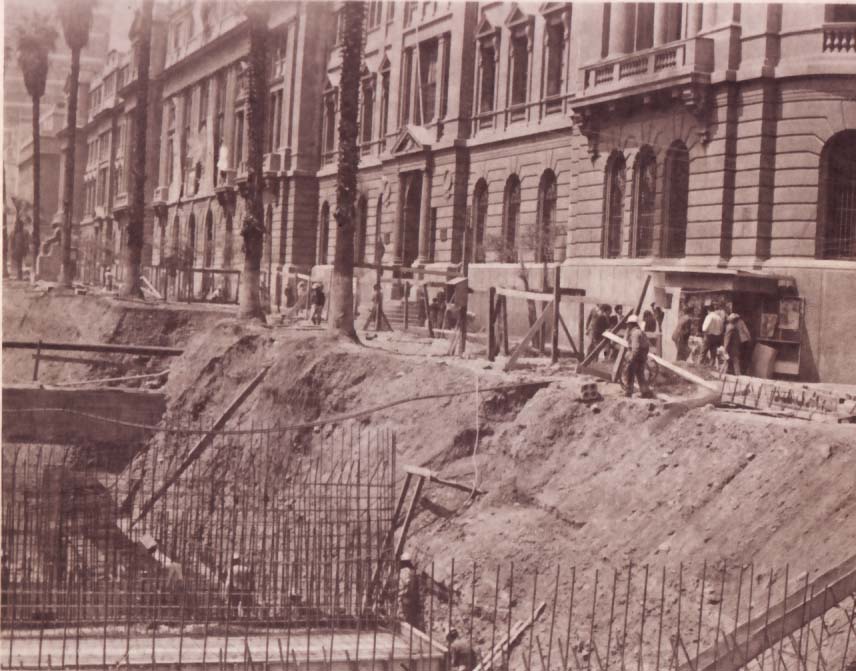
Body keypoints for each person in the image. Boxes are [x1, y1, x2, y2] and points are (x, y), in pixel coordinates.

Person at [625, 315, 653, 398]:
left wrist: (631, 358)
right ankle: (645, 392)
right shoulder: (641, 332)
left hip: (636, 357)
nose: (627, 326)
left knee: (630, 374)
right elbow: (647, 345)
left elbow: (635, 347)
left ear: (631, 324)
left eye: (628, 324)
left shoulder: (635, 333)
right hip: (642, 357)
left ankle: (628, 392)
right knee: (640, 375)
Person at [397, 553, 423, 628]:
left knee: (404, 614)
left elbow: (403, 585)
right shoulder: (413, 572)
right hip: (412, 597)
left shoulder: (403, 572)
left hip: (405, 595)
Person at [227, 553, 255, 619]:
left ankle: (235, 616)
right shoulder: (246, 569)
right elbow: (251, 580)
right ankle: (245, 618)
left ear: (233, 561)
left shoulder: (231, 569)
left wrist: (227, 590)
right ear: (239, 560)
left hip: (235, 589)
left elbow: (228, 581)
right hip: (244, 589)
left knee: (234, 605)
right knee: (245, 606)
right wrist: (252, 589)